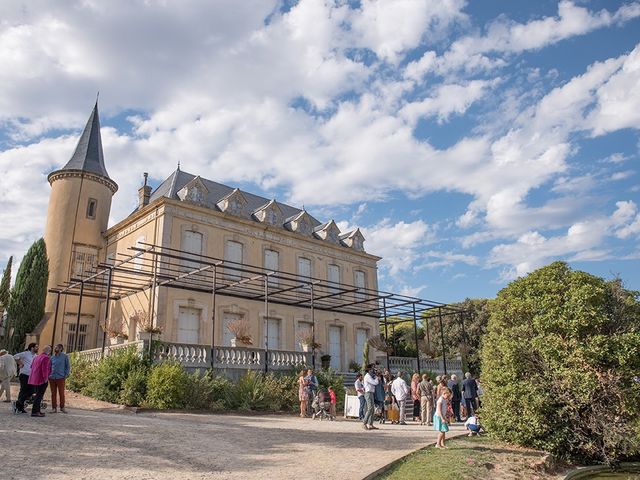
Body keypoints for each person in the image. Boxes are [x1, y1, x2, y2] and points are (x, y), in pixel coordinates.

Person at [13, 342, 38, 414]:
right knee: (23, 390)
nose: (37, 348)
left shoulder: (36, 356)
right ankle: (20, 407)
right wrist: (20, 363)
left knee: (32, 390)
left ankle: (18, 403)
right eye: (36, 347)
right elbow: (15, 356)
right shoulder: (26, 353)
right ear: (32, 348)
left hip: (32, 376)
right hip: (24, 375)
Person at [28, 345, 52, 417]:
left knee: (38, 395)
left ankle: (37, 411)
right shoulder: (46, 358)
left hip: (34, 379)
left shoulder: (36, 357)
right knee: (39, 396)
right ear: (49, 351)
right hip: (41, 380)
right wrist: (45, 379)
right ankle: (35, 412)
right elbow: (44, 369)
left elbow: (31, 366)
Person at [49, 343, 71, 413]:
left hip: (61, 377)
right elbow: (49, 367)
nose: (55, 349)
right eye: (55, 348)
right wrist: (48, 375)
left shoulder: (65, 356)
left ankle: (62, 407)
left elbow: (68, 366)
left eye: (57, 348)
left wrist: (66, 374)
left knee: (61, 393)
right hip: (52, 377)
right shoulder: (52, 357)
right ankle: (54, 408)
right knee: (53, 393)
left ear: (61, 349)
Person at [362, 365, 379, 430]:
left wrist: (375, 376)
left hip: (371, 393)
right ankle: (364, 423)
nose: (373, 370)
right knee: (370, 408)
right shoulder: (367, 376)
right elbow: (375, 383)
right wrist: (377, 377)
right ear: (369, 370)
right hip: (368, 393)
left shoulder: (370, 376)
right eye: (372, 369)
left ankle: (370, 424)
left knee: (372, 409)